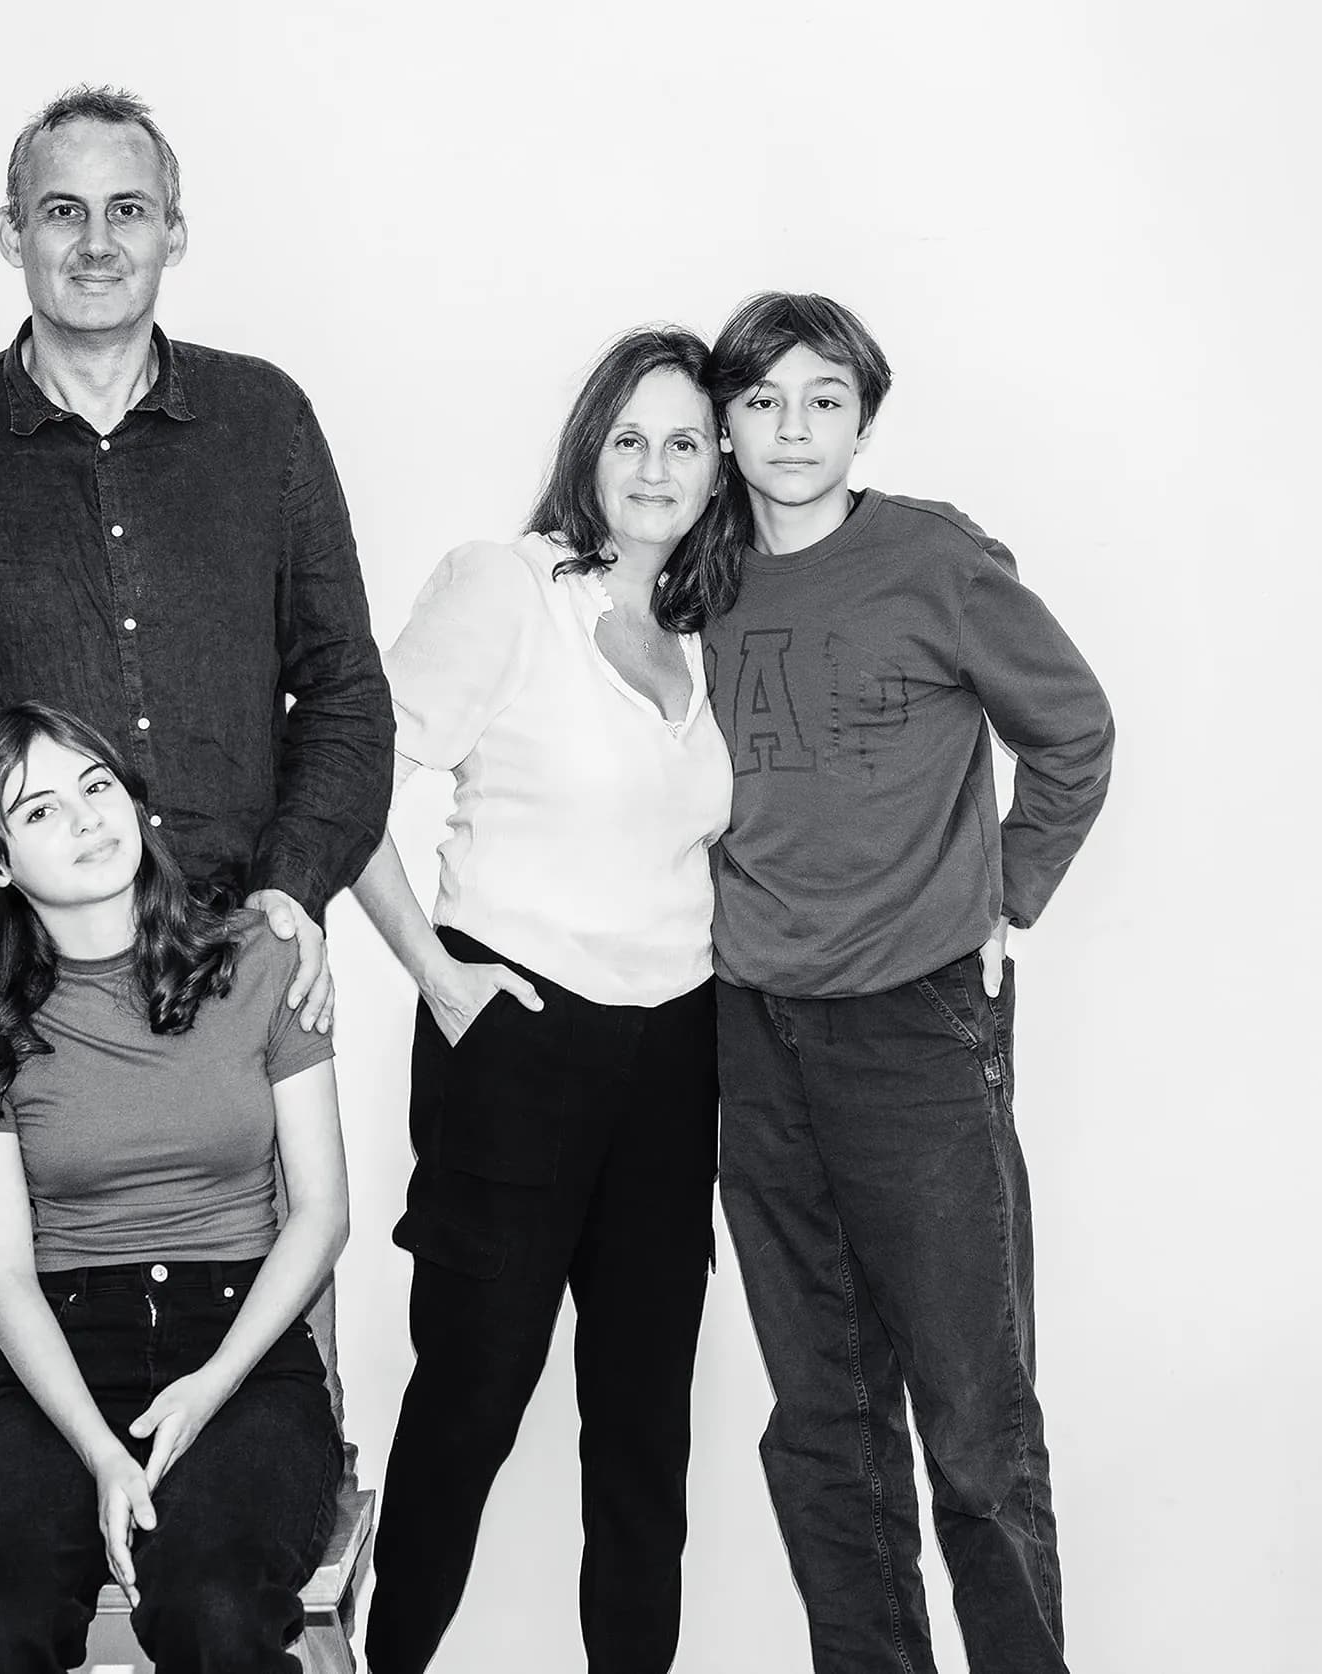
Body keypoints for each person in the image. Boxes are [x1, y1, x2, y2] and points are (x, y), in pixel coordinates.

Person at [0, 85, 392, 1481]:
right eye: (62, 210)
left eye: (128, 209)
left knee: (263, 1459)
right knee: (12, 1451)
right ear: (12, 233)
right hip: (22, 1025)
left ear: (176, 232)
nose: (96, 239)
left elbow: (347, 694)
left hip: (235, 998)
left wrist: (295, 894)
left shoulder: (266, 424)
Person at [704, 292, 1114, 1673]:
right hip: (751, 1034)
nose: (794, 427)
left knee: (974, 1419)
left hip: (918, 1027)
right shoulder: (697, 581)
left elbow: (1074, 728)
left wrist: (1011, 888)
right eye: (763, 401)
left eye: (825, 399)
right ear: (726, 425)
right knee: (823, 1420)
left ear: (864, 419)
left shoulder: (932, 560)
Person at [353, 328, 740, 1674]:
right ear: (587, 446)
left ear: (718, 468)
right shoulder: (507, 589)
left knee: (644, 1434)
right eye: (628, 435)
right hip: (518, 1043)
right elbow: (347, 777)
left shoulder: (709, 629)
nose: (653, 464)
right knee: (469, 1403)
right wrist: (433, 968)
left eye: (684, 440)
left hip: (675, 1058)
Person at [0, 701, 346, 1674]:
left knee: (213, 1609)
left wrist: (208, 1386)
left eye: (96, 787)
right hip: (63, 1361)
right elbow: (4, 1276)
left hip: (242, 1355)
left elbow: (320, 1213)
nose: (88, 818)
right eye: (40, 811)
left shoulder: (263, 960)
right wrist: (101, 1453)